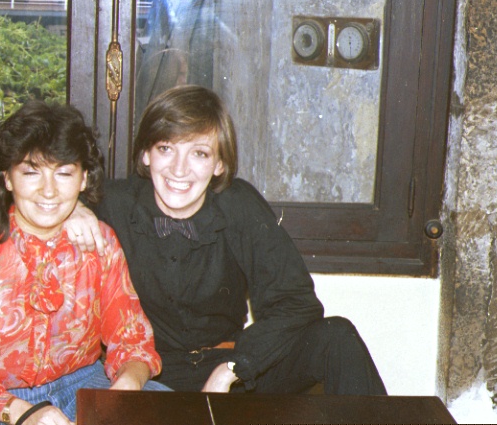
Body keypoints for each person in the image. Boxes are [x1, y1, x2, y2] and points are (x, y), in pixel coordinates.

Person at [66, 85, 386, 395]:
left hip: (230, 369)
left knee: (337, 336)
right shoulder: (115, 203)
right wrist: (73, 208)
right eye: (166, 149)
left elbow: (295, 303)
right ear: (146, 154)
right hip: (150, 374)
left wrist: (234, 367)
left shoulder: (238, 204)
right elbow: (44, 196)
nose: (179, 169)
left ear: (219, 164)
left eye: (199, 153)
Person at [0, 100, 167, 425]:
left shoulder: (99, 243)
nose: (48, 191)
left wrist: (126, 385)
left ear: (83, 179)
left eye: (63, 173)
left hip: (84, 384)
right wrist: (22, 412)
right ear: (8, 178)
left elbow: (132, 339)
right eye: (31, 172)